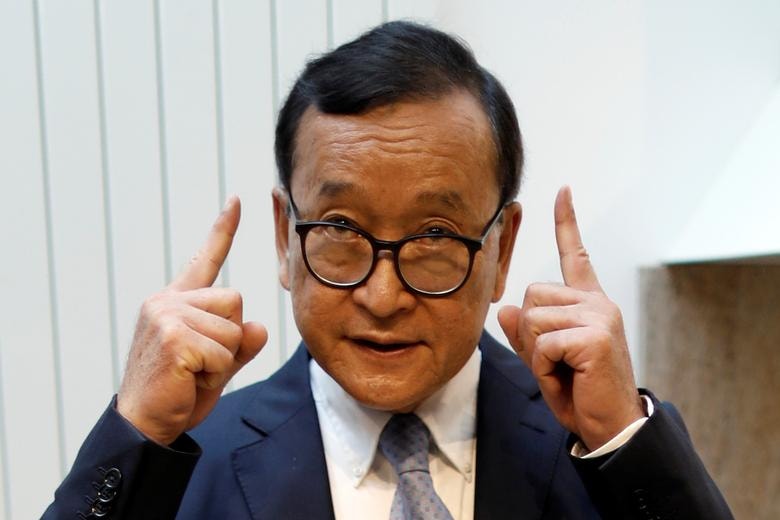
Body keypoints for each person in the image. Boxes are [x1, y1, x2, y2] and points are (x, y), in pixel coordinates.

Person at [44, 21, 732, 519]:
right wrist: (134, 431)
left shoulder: (605, 453)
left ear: (500, 250)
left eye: (434, 235)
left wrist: (622, 439)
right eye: (341, 230)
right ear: (285, 237)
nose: (382, 296)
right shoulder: (184, 461)